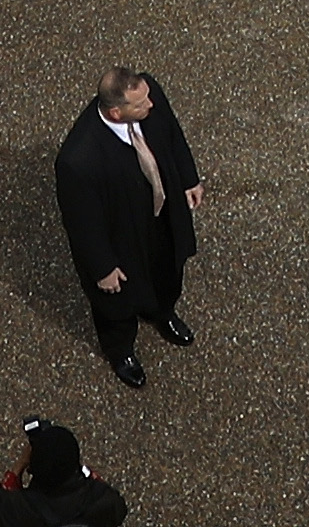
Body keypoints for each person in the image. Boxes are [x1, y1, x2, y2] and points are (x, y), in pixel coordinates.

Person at [52, 64, 208, 391]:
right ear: (116, 112)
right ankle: (121, 351)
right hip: (119, 237)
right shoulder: (78, 159)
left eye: (148, 99)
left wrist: (188, 177)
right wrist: (102, 268)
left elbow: (172, 134)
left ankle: (162, 312)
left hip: (159, 218)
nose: (150, 106)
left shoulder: (146, 92)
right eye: (140, 106)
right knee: (118, 307)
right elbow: (82, 223)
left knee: (167, 271)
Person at [0, 416, 130, 527]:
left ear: (33, 469)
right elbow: (120, 511)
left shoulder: (17, 509)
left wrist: (19, 465)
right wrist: (87, 473)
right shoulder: (102, 500)